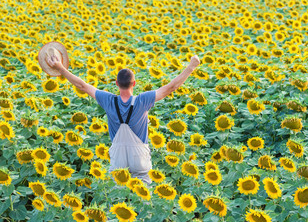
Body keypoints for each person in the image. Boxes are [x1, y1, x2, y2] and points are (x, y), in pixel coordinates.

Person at [46, 52, 201, 184]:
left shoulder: (108, 100)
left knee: (118, 200)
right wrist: (191, 67)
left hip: (118, 160)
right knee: (143, 202)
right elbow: (171, 87)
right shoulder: (142, 100)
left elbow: (82, 86)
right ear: (134, 83)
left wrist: (61, 68)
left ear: (116, 83)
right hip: (140, 159)